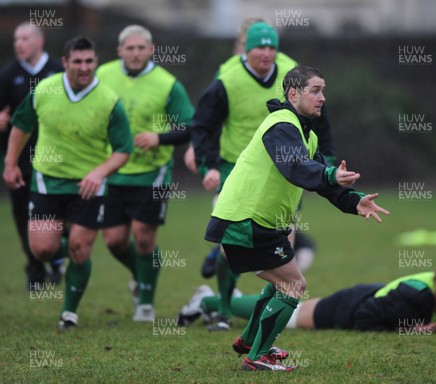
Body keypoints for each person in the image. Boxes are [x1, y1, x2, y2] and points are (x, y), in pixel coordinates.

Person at [204, 65, 389, 371]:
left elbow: (322, 180)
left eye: (323, 91)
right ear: (293, 94)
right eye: (315, 91)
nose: (322, 98)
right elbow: (297, 168)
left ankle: (252, 341)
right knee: (293, 284)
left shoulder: (306, 135)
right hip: (246, 221)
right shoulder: (281, 125)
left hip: (260, 223)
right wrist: (330, 173)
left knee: (285, 283)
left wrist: (355, 201)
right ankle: (257, 357)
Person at [191, 21, 334, 331]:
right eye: (260, 46)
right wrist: (207, 163)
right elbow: (203, 122)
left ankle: (260, 323)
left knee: (285, 248)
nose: (268, 53)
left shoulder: (293, 72)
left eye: (272, 46)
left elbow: (318, 118)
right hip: (236, 170)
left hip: (285, 169)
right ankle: (224, 311)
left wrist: (329, 164)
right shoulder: (227, 76)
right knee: (231, 243)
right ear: (244, 48)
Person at [3, 36, 133, 330]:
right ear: (65, 63)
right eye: (77, 61)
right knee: (43, 250)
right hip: (48, 182)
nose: (84, 67)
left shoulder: (109, 101)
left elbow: (124, 150)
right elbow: (21, 125)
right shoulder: (44, 90)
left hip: (88, 186)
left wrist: (99, 173)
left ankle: (69, 312)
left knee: (80, 247)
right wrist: (10, 163)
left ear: (96, 62)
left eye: (89, 61)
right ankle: (64, 244)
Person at [96, 25, 195, 321]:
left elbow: (189, 127)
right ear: (119, 51)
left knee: (143, 238)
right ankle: (140, 275)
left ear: (151, 50)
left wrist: (159, 138)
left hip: (152, 171)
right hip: (112, 170)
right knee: (114, 241)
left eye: (141, 48)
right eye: (130, 48)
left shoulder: (167, 84)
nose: (135, 53)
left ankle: (146, 305)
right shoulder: (103, 76)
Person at [179, 258, 436, 334]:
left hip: (369, 292)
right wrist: (407, 330)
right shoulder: (415, 299)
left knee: (291, 309)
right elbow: (364, 319)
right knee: (291, 316)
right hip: (351, 307)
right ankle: (208, 300)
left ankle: (218, 299)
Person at [0, 23, 64, 290]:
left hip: (58, 159)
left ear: (40, 41)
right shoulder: (8, 74)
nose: (19, 44)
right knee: (22, 215)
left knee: (61, 212)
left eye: (25, 38)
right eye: (16, 39)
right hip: (22, 159)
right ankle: (35, 268)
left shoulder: (59, 72)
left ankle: (57, 255)